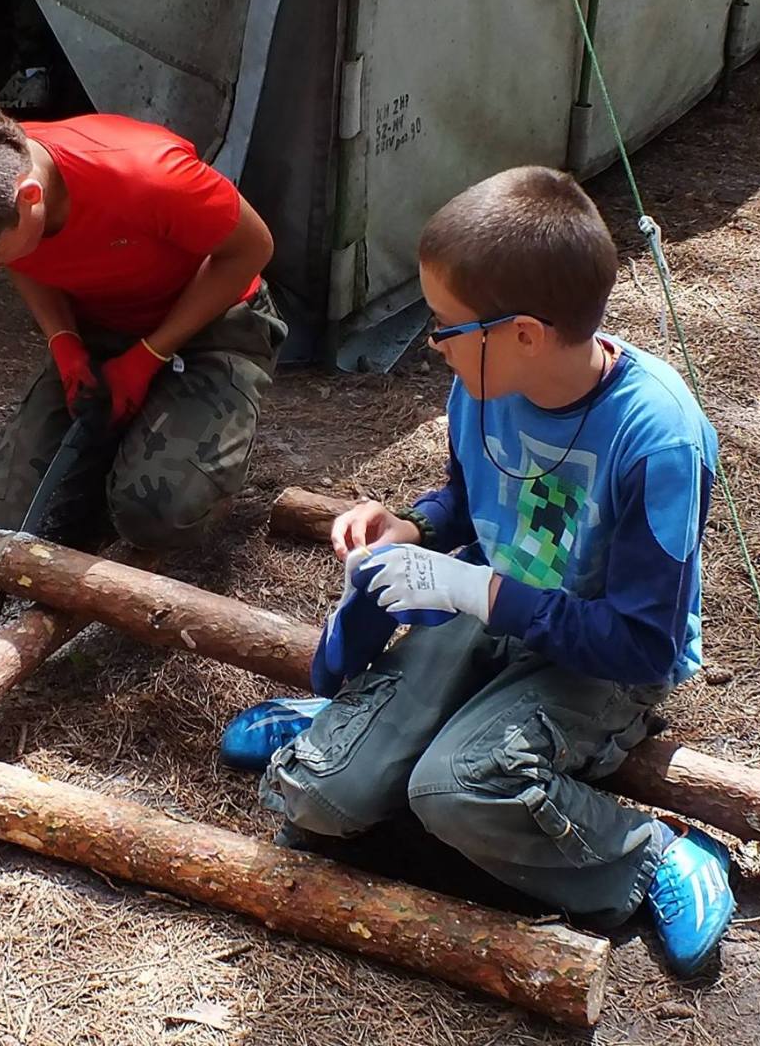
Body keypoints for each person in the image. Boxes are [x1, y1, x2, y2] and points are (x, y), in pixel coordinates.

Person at [240, 165, 734, 977]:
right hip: (495, 609)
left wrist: (479, 590)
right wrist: (415, 525)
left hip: (598, 665)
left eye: (445, 326)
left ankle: (651, 854)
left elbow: (643, 642)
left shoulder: (658, 438)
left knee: (456, 792)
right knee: (324, 797)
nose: (433, 344)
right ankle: (358, 732)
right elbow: (474, 503)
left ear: (525, 334)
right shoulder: (486, 380)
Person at [0, 95, 285, 552]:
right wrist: (63, 340)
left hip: (213, 327)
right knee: (10, 519)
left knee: (157, 513)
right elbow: (28, 261)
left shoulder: (148, 175)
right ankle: (125, 449)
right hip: (101, 325)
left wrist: (148, 356)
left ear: (30, 198)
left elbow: (253, 248)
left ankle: (183, 455)